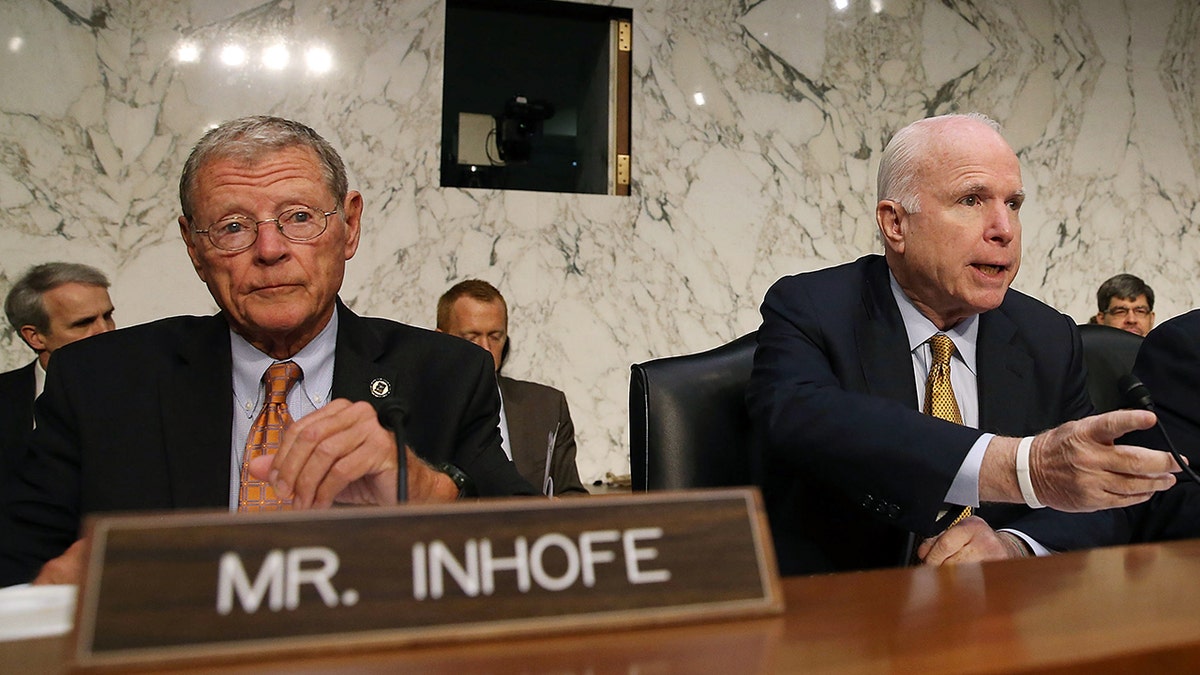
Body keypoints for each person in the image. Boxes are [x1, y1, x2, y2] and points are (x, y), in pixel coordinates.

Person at [0, 116, 535, 587]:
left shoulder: (446, 373)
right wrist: (51, 595)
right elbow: (19, 564)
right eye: (233, 227)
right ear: (193, 247)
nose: (270, 250)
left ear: (349, 226)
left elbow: (540, 555)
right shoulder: (100, 379)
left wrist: (423, 491)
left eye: (299, 217)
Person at [746, 112, 1179, 575]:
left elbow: (1098, 502)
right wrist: (1018, 466)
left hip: (1000, 623)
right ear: (895, 223)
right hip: (844, 615)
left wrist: (1013, 546)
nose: (1004, 229)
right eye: (972, 200)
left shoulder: (1047, 335)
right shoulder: (812, 307)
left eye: (1013, 204)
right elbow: (805, 419)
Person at [437, 280, 588, 496]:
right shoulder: (410, 407)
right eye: (471, 337)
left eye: (495, 337)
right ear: (440, 340)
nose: (486, 350)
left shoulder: (546, 405)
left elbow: (572, 494)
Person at [1, 262, 115, 485]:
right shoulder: (6, 396)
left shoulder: (148, 386)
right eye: (83, 323)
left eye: (108, 316)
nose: (105, 331)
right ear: (34, 336)